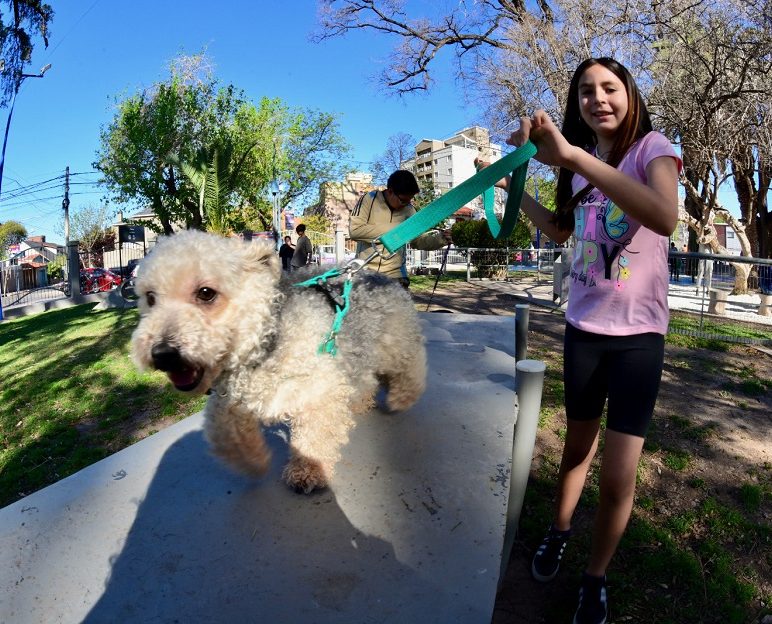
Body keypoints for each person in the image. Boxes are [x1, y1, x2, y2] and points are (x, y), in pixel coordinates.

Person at [494, 57, 681, 624]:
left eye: (609, 87)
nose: (598, 98)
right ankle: (559, 530)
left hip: (638, 339)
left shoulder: (652, 149)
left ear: (630, 94)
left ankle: (595, 576)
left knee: (619, 475)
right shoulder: (576, 169)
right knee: (576, 451)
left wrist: (573, 156)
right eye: (585, 92)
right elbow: (561, 231)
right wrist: (509, 183)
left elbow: (665, 217)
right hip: (583, 332)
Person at [349, 170, 451, 288]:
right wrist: (398, 228)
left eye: (410, 200)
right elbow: (355, 230)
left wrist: (441, 239)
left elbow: (418, 241)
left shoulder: (409, 210)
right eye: (403, 200)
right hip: (366, 272)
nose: (407, 204)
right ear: (390, 191)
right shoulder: (369, 199)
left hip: (396, 276)